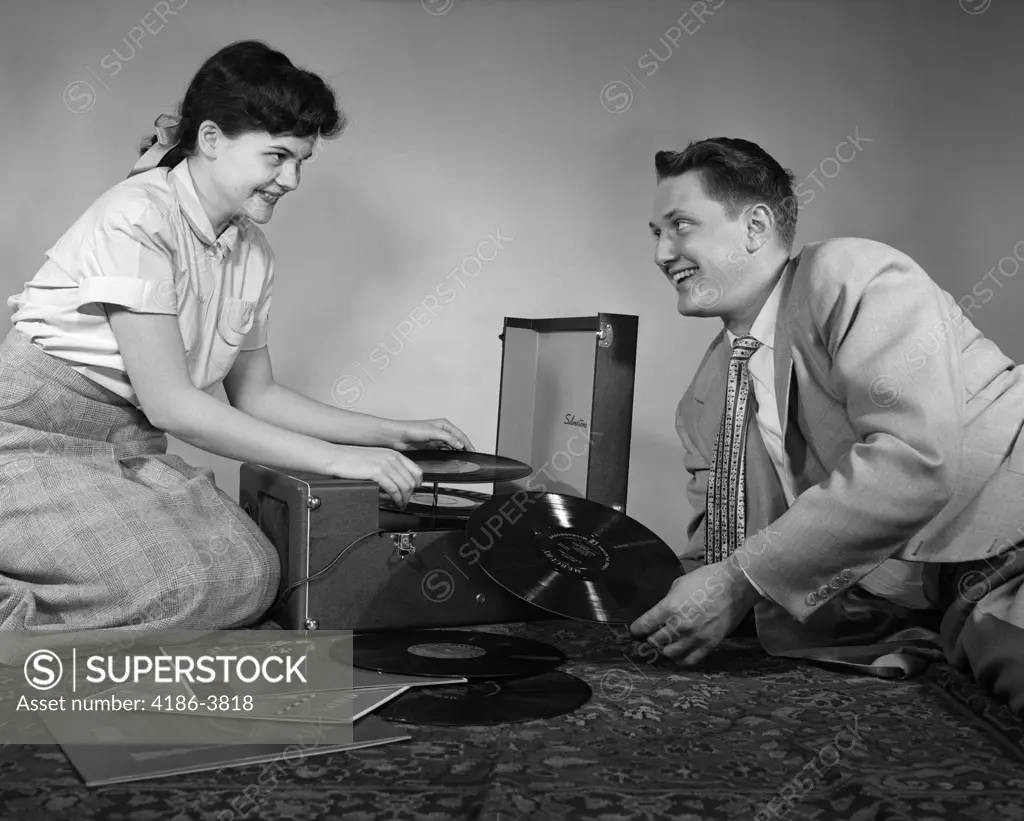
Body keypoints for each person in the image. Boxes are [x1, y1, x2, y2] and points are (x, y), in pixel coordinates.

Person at [0, 40, 473, 635]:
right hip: (27, 443)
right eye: (276, 157)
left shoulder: (253, 251)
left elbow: (257, 395)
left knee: (250, 575)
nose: (292, 179)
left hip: (128, 450)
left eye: (301, 161)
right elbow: (172, 404)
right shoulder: (136, 215)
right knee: (184, 589)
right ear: (211, 139)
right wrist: (342, 460)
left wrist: (389, 432)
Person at [630, 137, 1024, 713]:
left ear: (756, 226)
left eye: (681, 225)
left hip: (1009, 540)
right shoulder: (708, 389)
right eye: (655, 233)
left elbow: (913, 459)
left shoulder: (851, 274)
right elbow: (718, 541)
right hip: (927, 598)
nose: (663, 253)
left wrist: (738, 582)